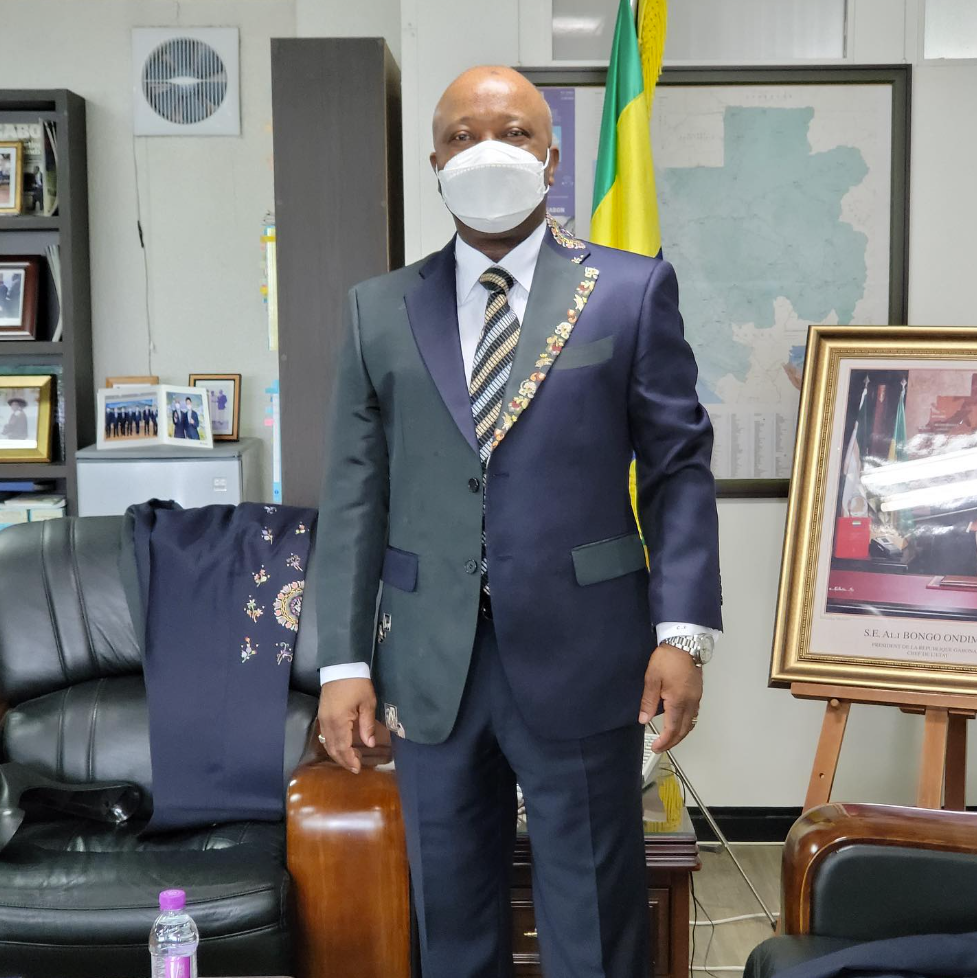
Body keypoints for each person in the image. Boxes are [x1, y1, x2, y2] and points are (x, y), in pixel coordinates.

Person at [315, 66, 722, 978]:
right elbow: (352, 494)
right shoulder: (378, 308)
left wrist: (683, 633)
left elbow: (676, 470)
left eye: (512, 132)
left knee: (594, 925)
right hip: (429, 663)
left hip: (587, 653)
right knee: (451, 923)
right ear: (434, 161)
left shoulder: (627, 290)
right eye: (461, 136)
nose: (486, 150)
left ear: (551, 157)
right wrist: (341, 663)